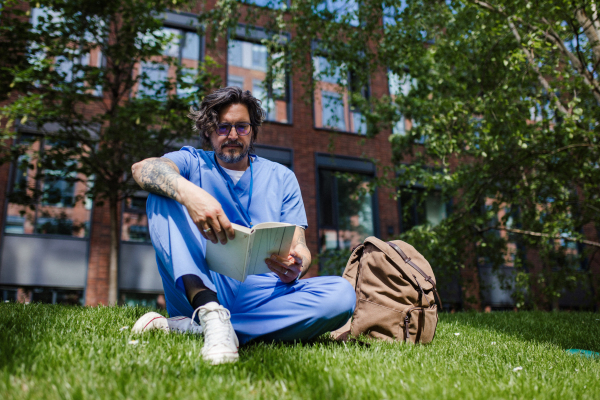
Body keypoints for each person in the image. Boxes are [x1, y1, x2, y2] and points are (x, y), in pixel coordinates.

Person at [130, 87, 356, 365]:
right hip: (199, 287)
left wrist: (299, 262)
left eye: (242, 126)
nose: (233, 135)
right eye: (223, 127)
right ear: (208, 131)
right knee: (162, 193)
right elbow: (143, 169)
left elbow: (300, 245)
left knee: (342, 295)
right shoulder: (192, 162)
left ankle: (190, 328)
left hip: (264, 295)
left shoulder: (282, 177)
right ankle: (210, 313)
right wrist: (189, 194)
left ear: (253, 130)